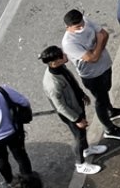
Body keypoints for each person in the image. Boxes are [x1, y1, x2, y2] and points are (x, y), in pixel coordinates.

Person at [39, 46, 107, 176]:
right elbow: (60, 107)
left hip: (77, 105)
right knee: (78, 137)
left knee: (82, 133)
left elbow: (71, 82)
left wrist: (81, 94)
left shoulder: (60, 68)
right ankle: (80, 164)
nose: (65, 55)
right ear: (54, 62)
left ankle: (87, 149)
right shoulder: (52, 83)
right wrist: (76, 119)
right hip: (71, 113)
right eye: (61, 55)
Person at [61, 9, 120, 140]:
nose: (82, 27)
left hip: (105, 66)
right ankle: (109, 128)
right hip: (92, 76)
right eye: (77, 27)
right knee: (100, 100)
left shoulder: (85, 21)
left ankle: (111, 111)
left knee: (107, 90)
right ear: (68, 27)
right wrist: (99, 42)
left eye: (82, 24)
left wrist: (97, 47)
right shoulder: (69, 43)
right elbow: (92, 58)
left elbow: (104, 35)